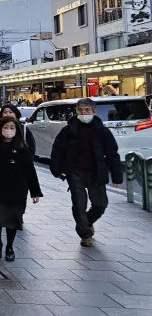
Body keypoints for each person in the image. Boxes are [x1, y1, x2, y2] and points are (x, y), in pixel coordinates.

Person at [50, 98, 123, 247]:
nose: (84, 113)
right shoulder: (68, 130)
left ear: (94, 112)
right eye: (80, 110)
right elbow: (57, 150)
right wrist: (56, 170)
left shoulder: (102, 131)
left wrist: (117, 176)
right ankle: (85, 234)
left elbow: (112, 154)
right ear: (76, 112)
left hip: (96, 172)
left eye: (87, 110)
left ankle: (87, 222)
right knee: (79, 205)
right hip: (75, 172)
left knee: (100, 204)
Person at [0, 118, 42, 262]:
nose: (8, 130)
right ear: (0, 128)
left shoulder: (21, 146)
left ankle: (10, 246)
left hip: (17, 189)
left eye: (12, 127)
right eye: (6, 127)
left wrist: (35, 191)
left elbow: (29, 170)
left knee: (13, 220)